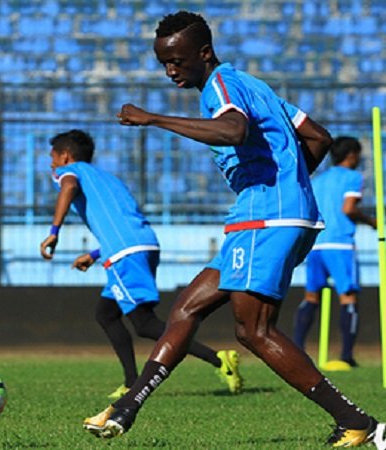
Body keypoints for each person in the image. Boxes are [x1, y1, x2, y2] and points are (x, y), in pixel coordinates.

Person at [82, 11, 379, 447]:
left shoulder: (221, 86)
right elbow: (318, 136)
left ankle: (358, 423)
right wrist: (290, 185)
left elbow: (233, 130)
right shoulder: (255, 86)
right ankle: (126, 409)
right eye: (164, 63)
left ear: (204, 53)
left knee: (254, 331)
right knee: (186, 308)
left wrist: (154, 119)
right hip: (267, 216)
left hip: (265, 218)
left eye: (178, 61)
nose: (170, 71)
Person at [39, 129, 242, 399]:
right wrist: (96, 254)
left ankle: (219, 359)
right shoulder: (109, 179)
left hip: (126, 252)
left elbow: (69, 186)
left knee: (145, 324)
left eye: (52, 156)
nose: (51, 162)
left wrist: (54, 232)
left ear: (64, 156)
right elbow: (121, 220)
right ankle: (131, 381)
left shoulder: (69, 173)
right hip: (142, 244)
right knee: (107, 314)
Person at [294, 137, 377, 367]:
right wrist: (371, 221)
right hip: (339, 245)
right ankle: (347, 356)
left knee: (311, 296)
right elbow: (348, 209)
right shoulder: (353, 177)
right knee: (348, 297)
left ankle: (297, 350)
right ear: (351, 154)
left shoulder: (319, 180)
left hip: (316, 244)